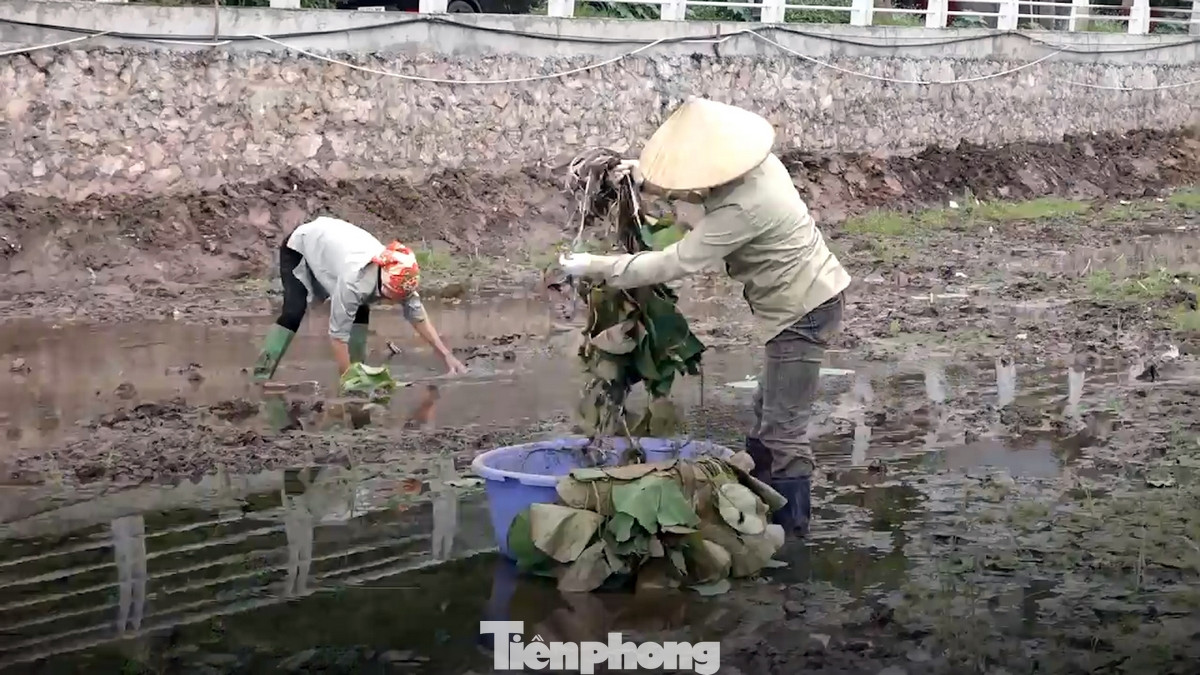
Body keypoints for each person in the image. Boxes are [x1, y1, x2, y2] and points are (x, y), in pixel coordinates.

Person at [558, 98, 851, 538]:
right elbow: (701, 185)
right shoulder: (761, 164)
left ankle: (792, 536)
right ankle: (761, 505)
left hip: (803, 310)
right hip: (802, 300)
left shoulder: (746, 207)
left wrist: (596, 267)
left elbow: (672, 263)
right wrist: (642, 175)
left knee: (783, 430)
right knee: (766, 410)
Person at [252, 216, 467, 384]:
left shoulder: (401, 273)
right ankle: (261, 375)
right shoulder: (353, 282)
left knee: (362, 308)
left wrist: (446, 356)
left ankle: (358, 367)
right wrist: (349, 381)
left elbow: (418, 316)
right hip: (300, 246)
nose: (393, 303)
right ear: (385, 283)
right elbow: (337, 336)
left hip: (333, 246)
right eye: (392, 298)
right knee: (294, 311)